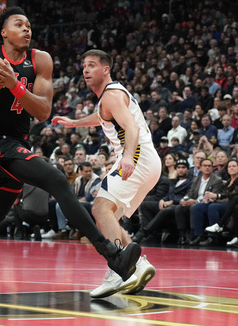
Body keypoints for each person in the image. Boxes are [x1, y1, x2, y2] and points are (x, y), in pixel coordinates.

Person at [0, 7, 140, 291]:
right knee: (57, 180)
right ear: (3, 32)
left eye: (28, 24)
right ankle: (113, 256)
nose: (27, 29)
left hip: (18, 142)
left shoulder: (40, 60)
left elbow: (43, 112)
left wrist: (14, 85)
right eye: (19, 24)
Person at [51, 49, 161, 298]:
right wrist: (74, 123)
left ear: (106, 69)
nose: (86, 70)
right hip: (147, 159)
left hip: (137, 156)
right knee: (106, 214)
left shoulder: (111, 94)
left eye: (91, 65)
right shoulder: (111, 97)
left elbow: (130, 127)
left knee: (100, 208)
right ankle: (137, 265)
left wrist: (126, 156)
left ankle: (118, 268)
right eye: (83, 66)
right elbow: (103, 117)